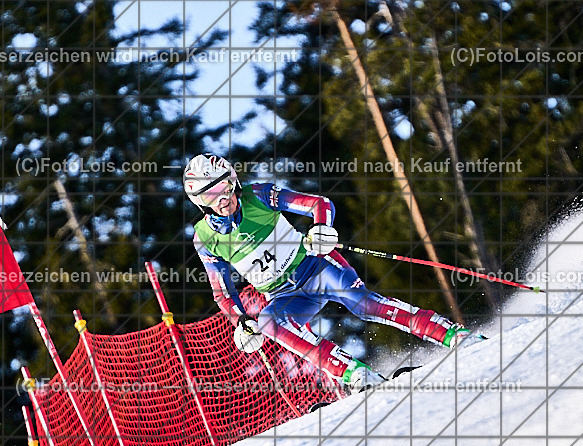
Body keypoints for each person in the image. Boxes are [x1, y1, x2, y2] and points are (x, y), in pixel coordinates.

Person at [184, 154, 469, 389]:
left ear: (233, 181)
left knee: (363, 304)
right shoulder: (204, 239)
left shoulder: (257, 195)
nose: (220, 198)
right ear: (199, 201)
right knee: (270, 321)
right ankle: (355, 373)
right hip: (285, 295)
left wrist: (321, 228)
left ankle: (450, 334)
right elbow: (223, 292)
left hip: (315, 267)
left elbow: (318, 204)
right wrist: (241, 321)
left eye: (223, 187)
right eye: (209, 195)